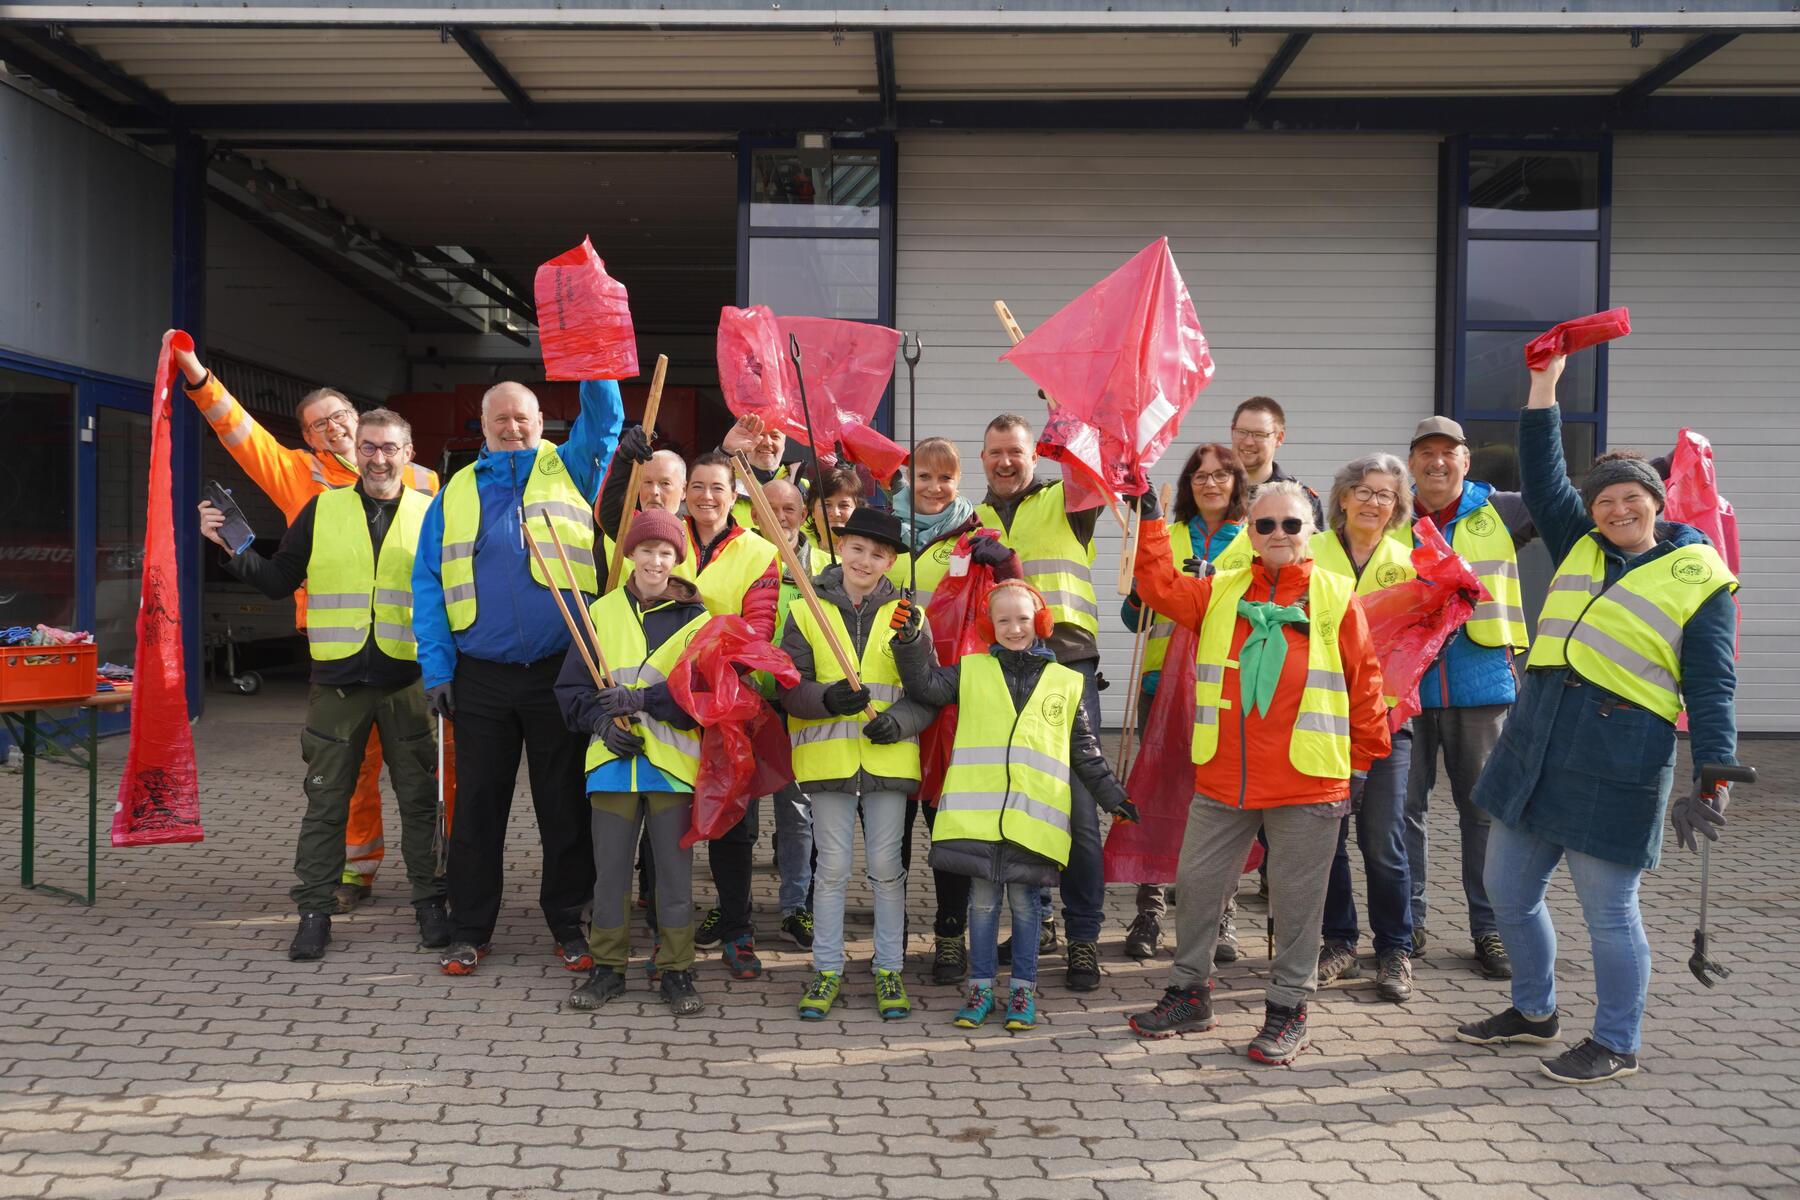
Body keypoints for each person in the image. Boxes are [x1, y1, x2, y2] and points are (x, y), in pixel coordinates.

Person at [1454, 354, 1739, 1084]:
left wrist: (1714, 766)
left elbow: (1712, 682)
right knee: (1509, 892)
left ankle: (1616, 1041)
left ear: (1657, 503)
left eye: (1630, 500)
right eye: (1604, 501)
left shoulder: (1697, 577)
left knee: (1609, 912)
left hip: (1620, 756)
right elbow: (1545, 471)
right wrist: (1544, 384)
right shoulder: (1577, 538)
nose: (1616, 510)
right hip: (1535, 740)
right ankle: (1534, 1011)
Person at [1125, 481, 1390, 1065]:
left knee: (1296, 906)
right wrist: (1149, 518)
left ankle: (1288, 1007)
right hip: (1224, 777)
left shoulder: (1335, 596)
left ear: (1311, 532)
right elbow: (1157, 587)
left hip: (1308, 780)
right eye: (1265, 525)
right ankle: (1189, 993)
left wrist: (1366, 763)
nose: (1277, 535)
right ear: (1248, 531)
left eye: (1290, 525)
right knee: (1195, 888)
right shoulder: (1221, 591)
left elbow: (1364, 683)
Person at [176, 339, 439, 912]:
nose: (334, 429)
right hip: (340, 654)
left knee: (421, 782)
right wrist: (197, 377)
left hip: (411, 657)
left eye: (340, 416)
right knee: (351, 773)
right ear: (309, 437)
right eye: (319, 425)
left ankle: (433, 884)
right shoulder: (299, 476)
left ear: (361, 419)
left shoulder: (424, 481)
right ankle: (354, 871)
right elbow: (237, 430)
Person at [412, 378, 623, 976]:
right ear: (482, 425)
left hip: (560, 674)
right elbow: (428, 585)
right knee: (477, 807)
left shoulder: (572, 468)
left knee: (563, 805)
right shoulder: (453, 493)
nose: (512, 428)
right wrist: (437, 669)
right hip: (478, 676)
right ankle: (470, 928)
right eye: (499, 419)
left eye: (522, 418)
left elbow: (605, 417)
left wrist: (591, 354)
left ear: (541, 420)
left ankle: (567, 922)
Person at [894, 580, 1139, 1031]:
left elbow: (1084, 750)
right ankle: (981, 989)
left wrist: (1114, 797)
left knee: (1027, 907)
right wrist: (912, 641)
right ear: (990, 625)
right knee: (982, 906)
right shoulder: (969, 672)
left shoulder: (1067, 683)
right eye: (1003, 620)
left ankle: (1023, 989)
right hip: (979, 823)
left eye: (1023, 618)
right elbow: (925, 685)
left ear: (1040, 621)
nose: (1014, 628)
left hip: (1033, 825)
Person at [778, 508, 937, 1020]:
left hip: (888, 758)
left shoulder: (909, 614)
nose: (866, 560)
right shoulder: (806, 608)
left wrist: (901, 722)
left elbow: (926, 691)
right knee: (832, 869)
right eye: (858, 549)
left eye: (879, 553)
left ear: (891, 561)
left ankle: (888, 968)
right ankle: (826, 969)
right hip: (828, 761)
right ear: (840, 548)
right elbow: (787, 685)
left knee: (888, 870)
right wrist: (825, 699)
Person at [553, 509, 710, 1018]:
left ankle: (678, 970)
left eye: (666, 552)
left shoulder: (698, 620)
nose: (656, 560)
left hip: (672, 767)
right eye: (647, 550)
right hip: (612, 766)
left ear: (677, 559)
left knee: (674, 877)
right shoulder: (597, 611)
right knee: (610, 875)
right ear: (630, 555)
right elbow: (570, 689)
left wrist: (641, 699)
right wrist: (600, 725)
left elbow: (703, 696)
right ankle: (607, 969)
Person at [974, 414, 1106, 990]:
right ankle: (1040, 922)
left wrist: (1071, 420)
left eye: (1017, 452)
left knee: (1077, 810)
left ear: (1036, 456)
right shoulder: (968, 518)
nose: (1006, 461)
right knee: (1019, 803)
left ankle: (1083, 937)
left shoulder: (1066, 500)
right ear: (982, 458)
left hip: (1067, 667)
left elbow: (1096, 471)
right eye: (996, 452)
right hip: (998, 673)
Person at [886, 436, 1023, 985]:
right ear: (906, 480)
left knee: (946, 825)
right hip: (889, 695)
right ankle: (888, 937)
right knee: (890, 827)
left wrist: (1007, 562)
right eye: (923, 476)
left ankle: (948, 933)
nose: (934, 488)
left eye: (945, 477)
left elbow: (1016, 610)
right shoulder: (881, 533)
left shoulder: (976, 535)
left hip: (952, 702)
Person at [1404, 414, 1535, 978]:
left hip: (1481, 683)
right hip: (1404, 686)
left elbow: (1576, 508)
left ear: (1466, 460)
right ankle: (1403, 929)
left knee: (1482, 814)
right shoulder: (1390, 510)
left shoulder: (1504, 510)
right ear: (1412, 462)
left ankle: (1491, 931)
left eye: (1448, 452)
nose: (1437, 462)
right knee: (1400, 814)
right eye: (1426, 453)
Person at [1118, 442, 1251, 962]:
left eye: (1222, 475)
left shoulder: (1255, 538)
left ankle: (1222, 917)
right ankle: (1149, 911)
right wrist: (1143, 593)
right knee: (1155, 796)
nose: (1211, 484)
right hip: (1160, 689)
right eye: (1200, 476)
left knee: (1223, 806)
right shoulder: (1163, 536)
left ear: (1237, 483)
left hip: (1227, 692)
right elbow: (1133, 621)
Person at [664, 451, 781, 979]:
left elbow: (759, 628)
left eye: (717, 487)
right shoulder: (663, 536)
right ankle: (668, 932)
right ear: (683, 490)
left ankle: (737, 930)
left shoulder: (760, 551)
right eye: (697, 486)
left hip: (730, 703)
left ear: (735, 495)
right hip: (665, 699)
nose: (706, 496)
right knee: (665, 816)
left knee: (733, 823)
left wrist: (713, 658)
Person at [1311, 453, 1419, 1003]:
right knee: (1327, 837)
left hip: (1388, 717)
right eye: (1366, 491)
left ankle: (1396, 947)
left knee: (1383, 840)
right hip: (1319, 716)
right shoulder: (1311, 550)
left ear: (1397, 506)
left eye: (1386, 495)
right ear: (1345, 497)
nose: (1375, 502)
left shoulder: (1415, 559)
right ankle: (1338, 940)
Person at [752, 477, 821, 951]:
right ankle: (730, 907)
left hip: (799, 708)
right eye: (769, 507)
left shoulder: (827, 566)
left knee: (797, 815)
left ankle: (796, 909)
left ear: (803, 512)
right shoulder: (741, 559)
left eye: (790, 507)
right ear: (754, 513)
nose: (780, 516)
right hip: (747, 704)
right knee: (739, 814)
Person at [1229, 396, 1325, 528]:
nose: (1248, 442)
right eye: (1242, 432)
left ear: (1279, 438)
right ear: (1232, 431)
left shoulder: (1301, 498)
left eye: (1259, 434)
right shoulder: (1211, 490)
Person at [721, 412, 803, 527]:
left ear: (784, 443)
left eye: (775, 436)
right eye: (759, 435)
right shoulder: (726, 485)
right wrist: (725, 453)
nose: (767, 442)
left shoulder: (806, 489)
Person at [804, 462, 863, 559]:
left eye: (844, 505)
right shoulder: (796, 550)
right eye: (826, 505)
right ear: (812, 510)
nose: (835, 513)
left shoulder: (872, 555)